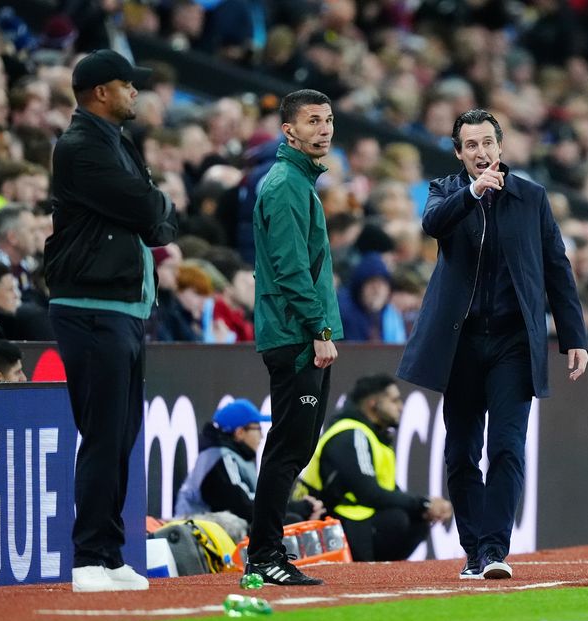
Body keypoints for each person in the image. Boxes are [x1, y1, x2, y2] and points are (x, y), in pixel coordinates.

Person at [397, 109, 588, 580]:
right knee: (461, 451)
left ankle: (494, 549)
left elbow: (556, 267)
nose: (481, 152)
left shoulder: (531, 197)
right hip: (460, 344)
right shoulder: (446, 192)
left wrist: (573, 337)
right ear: (460, 153)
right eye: (471, 145)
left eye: (488, 143)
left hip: (511, 342)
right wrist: (472, 193)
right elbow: (433, 226)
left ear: (501, 148)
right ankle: (472, 550)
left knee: (507, 446)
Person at [43, 50, 177, 593]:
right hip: (91, 307)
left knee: (119, 436)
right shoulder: (80, 148)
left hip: (121, 308)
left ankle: (109, 550)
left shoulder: (113, 143)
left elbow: (158, 218)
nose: (135, 93)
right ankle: (89, 558)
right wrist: (157, 204)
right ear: (100, 91)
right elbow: (150, 211)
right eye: (127, 85)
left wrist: (157, 206)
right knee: (102, 435)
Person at [243, 89, 342, 587]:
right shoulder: (284, 184)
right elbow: (290, 269)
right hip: (296, 335)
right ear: (289, 131)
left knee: (293, 447)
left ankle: (266, 551)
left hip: (299, 333)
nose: (324, 129)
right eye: (312, 121)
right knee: (287, 448)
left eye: (328, 120)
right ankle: (263, 555)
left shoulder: (298, 182)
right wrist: (320, 330)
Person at [298, 374, 453, 561]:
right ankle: (363, 572)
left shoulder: (372, 436)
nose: (401, 407)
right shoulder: (352, 433)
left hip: (347, 518)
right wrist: (424, 503)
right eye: (394, 400)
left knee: (417, 517)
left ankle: (380, 575)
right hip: (319, 521)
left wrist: (423, 507)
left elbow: (388, 491)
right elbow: (369, 493)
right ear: (373, 403)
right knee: (397, 518)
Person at [174, 398, 324, 533]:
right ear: (240, 433)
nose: (262, 436)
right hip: (196, 533)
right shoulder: (219, 458)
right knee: (289, 522)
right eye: (257, 429)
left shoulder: (233, 456)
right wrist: (296, 508)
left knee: (288, 521)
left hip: (211, 530)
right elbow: (244, 507)